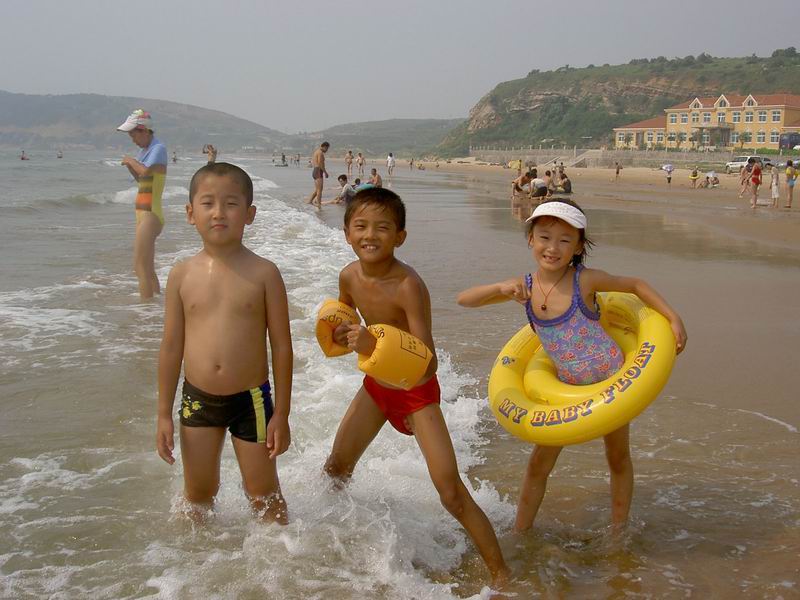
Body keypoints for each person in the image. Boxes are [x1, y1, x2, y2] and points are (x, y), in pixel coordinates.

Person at [457, 198, 687, 533]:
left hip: (612, 381)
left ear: (578, 247)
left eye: (565, 240)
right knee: (538, 464)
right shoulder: (524, 288)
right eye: (544, 237)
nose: (553, 248)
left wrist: (673, 318)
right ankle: (521, 531)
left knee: (617, 457)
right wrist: (500, 287)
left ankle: (618, 531)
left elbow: (635, 285)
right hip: (565, 388)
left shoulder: (585, 281)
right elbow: (464, 300)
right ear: (531, 239)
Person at [323, 188, 510, 586]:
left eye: (382, 227)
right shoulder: (348, 276)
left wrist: (372, 343)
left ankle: (502, 575)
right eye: (360, 226)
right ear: (346, 233)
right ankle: (333, 545)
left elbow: (429, 361)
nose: (370, 235)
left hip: (416, 393)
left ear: (400, 236)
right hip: (377, 388)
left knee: (451, 493)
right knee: (335, 470)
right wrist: (341, 333)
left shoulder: (408, 284)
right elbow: (346, 323)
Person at [156, 162, 292, 523]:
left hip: (252, 402)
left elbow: (282, 347)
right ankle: (198, 556)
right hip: (197, 399)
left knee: (265, 497)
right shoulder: (181, 274)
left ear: (249, 214)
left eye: (231, 204)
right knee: (198, 496)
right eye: (208, 203)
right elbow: (171, 347)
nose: (219, 212)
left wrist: (282, 413)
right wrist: (163, 413)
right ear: (190, 213)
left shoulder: (265, 273)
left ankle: (285, 557)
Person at [118, 109, 167, 300]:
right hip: (143, 213)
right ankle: (155, 307)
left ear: (144, 130)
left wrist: (131, 160)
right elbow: (142, 180)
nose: (132, 140)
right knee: (147, 267)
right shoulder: (145, 151)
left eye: (133, 135)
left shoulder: (158, 148)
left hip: (150, 214)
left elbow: (145, 172)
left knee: (139, 267)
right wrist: (131, 166)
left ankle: (145, 309)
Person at [305, 142, 330, 210]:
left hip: (315, 170)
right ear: (324, 147)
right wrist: (325, 172)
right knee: (319, 190)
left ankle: (310, 201)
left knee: (317, 189)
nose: (327, 150)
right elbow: (320, 164)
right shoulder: (320, 153)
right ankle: (319, 205)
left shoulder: (316, 152)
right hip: (318, 171)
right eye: (327, 148)